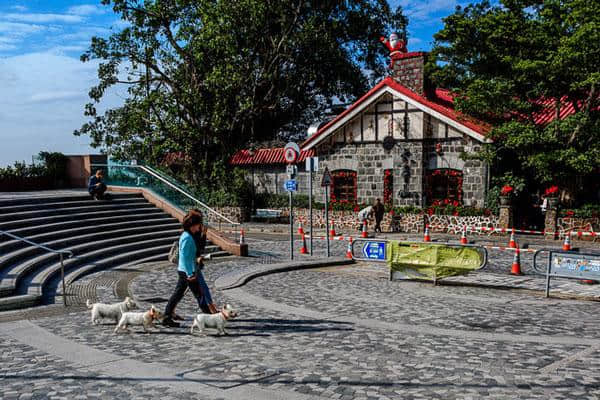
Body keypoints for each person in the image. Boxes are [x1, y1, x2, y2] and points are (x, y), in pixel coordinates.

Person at [163, 212, 218, 328]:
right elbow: (185, 258)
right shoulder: (187, 238)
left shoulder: (187, 235)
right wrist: (190, 273)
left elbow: (189, 256)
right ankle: (208, 318)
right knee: (199, 294)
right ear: (193, 225)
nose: (200, 226)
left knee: (179, 294)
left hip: (184, 270)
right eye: (198, 224)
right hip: (187, 272)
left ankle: (167, 316)